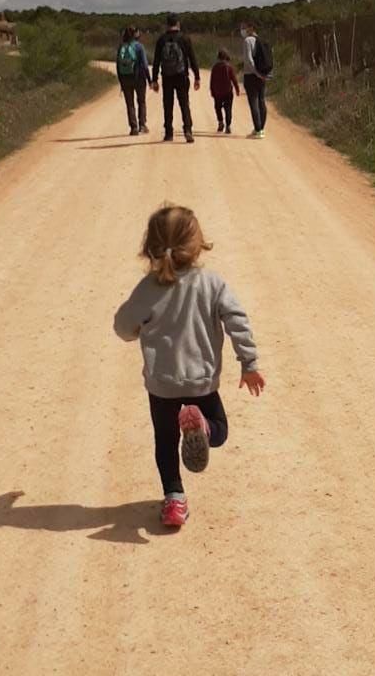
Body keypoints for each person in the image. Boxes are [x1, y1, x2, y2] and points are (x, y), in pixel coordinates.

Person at [113, 204, 266, 530]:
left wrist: (139, 328)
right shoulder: (212, 283)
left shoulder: (148, 288)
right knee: (220, 430)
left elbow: (123, 327)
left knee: (166, 440)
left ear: (150, 247)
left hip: (162, 385)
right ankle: (204, 428)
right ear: (197, 244)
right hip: (201, 382)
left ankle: (174, 500)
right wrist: (249, 363)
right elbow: (237, 320)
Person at [150, 17, 200, 143]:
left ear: (167, 24)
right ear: (178, 23)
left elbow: (156, 61)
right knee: (184, 104)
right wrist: (197, 77)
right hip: (182, 76)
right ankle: (187, 130)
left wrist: (154, 79)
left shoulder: (161, 40)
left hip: (167, 77)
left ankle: (168, 133)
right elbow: (192, 58)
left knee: (168, 105)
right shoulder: (184, 38)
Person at [240, 22, 273, 139]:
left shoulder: (247, 41)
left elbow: (248, 60)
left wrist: (256, 73)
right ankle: (260, 128)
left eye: (244, 28)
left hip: (251, 75)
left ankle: (258, 130)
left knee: (253, 102)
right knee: (261, 101)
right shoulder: (262, 41)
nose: (242, 30)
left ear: (251, 28)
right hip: (263, 76)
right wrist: (264, 74)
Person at [115, 25, 150, 135]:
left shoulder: (121, 47)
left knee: (130, 104)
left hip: (125, 78)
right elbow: (145, 65)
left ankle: (133, 127)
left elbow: (118, 66)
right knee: (141, 101)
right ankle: (142, 125)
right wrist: (150, 80)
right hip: (139, 78)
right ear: (135, 34)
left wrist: (121, 81)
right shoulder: (139, 46)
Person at [209, 49, 240, 134]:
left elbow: (212, 80)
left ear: (218, 57)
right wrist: (237, 89)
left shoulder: (215, 67)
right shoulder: (229, 67)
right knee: (228, 108)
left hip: (217, 92)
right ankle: (228, 126)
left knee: (217, 107)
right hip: (228, 91)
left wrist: (212, 90)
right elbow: (234, 79)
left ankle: (220, 122)